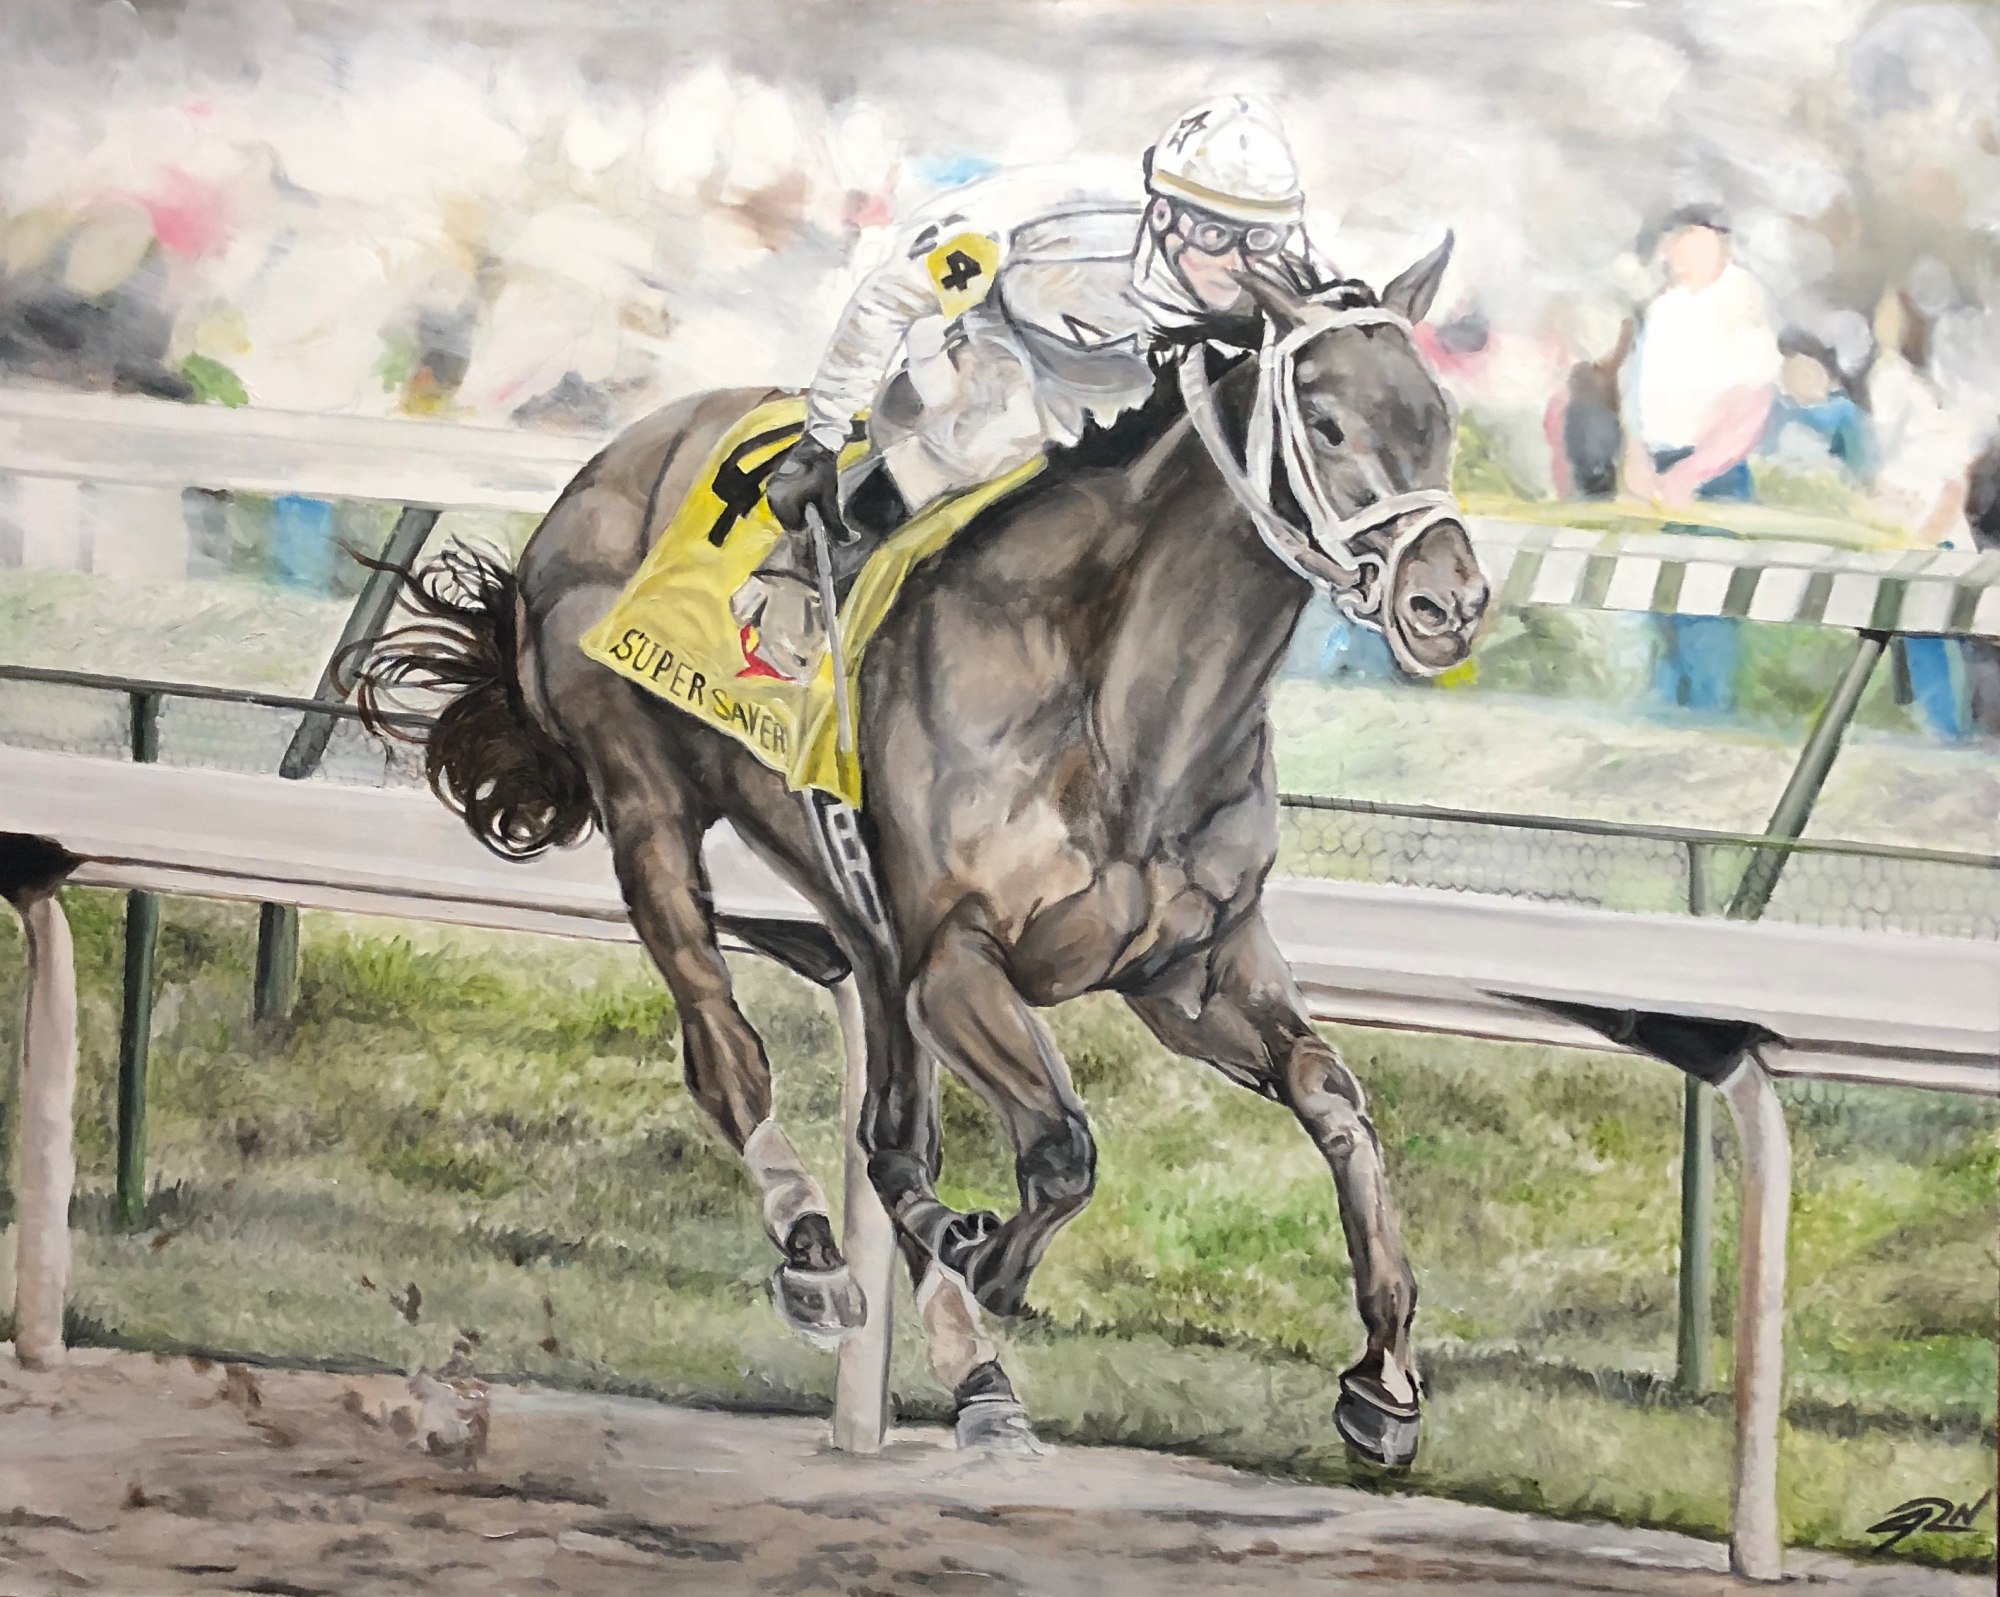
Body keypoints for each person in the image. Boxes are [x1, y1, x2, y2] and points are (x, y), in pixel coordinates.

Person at [733, 94, 1335, 681]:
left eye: (1258, 240)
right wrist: (821, 440)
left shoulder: (1294, 268)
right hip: (1006, 344)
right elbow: (888, 300)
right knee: (1007, 426)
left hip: (1133, 375)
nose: (1236, 263)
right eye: (1214, 237)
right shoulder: (1037, 221)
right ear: (1162, 214)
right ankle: (804, 573)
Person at [1618, 204, 1781, 714]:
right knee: (1656, 602)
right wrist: (1637, 462)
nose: (1680, 255)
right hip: (1657, 469)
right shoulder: (1662, 308)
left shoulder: (1741, 301)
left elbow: (1751, 407)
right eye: (1676, 244)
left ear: (1719, 245)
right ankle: (1662, 717)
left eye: (1694, 243)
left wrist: (1691, 473)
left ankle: (1710, 717)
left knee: (1706, 605)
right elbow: (1635, 394)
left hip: (1714, 476)